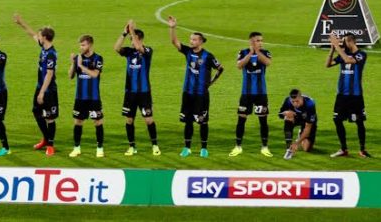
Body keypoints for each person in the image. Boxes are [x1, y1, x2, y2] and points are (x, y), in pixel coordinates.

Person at [168, 16, 224, 158]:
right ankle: (187, 147)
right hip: (187, 92)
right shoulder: (188, 51)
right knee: (188, 121)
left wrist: (211, 82)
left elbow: (220, 68)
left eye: (194, 39)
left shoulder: (208, 56)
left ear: (200, 41)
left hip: (201, 94)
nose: (191, 41)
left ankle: (204, 148)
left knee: (202, 121)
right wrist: (172, 28)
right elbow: (174, 42)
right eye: (190, 39)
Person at [13, 14, 58, 156]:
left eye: (40, 35)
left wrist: (42, 92)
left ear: (44, 37)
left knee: (50, 117)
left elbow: (49, 74)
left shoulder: (51, 54)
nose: (37, 36)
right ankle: (46, 139)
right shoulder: (43, 47)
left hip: (48, 91)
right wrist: (21, 23)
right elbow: (32, 34)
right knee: (36, 112)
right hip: (40, 87)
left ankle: (50, 145)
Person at [114, 20, 160, 157]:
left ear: (139, 39)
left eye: (133, 39)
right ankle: (132, 146)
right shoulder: (129, 52)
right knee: (129, 120)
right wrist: (124, 33)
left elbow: (140, 48)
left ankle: (155, 145)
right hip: (130, 92)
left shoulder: (148, 51)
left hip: (144, 92)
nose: (131, 41)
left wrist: (132, 31)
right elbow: (116, 48)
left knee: (148, 119)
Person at [326, 33, 371, 158]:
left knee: (359, 122)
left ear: (351, 42)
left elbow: (348, 60)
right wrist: (332, 49)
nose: (343, 44)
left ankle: (362, 149)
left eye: (344, 41)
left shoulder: (361, 54)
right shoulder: (343, 54)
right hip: (341, 95)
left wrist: (336, 45)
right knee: (337, 120)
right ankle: (343, 149)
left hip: (355, 95)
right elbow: (328, 64)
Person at [229, 32, 273, 158]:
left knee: (263, 121)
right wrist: (250, 53)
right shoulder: (242, 52)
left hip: (261, 93)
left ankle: (265, 147)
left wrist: (257, 52)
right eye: (258, 40)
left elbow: (268, 63)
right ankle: (238, 146)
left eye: (261, 40)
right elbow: (239, 65)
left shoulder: (265, 52)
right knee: (241, 120)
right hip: (246, 94)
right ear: (251, 41)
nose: (260, 43)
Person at [68, 35, 105, 158]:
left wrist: (81, 66)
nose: (81, 47)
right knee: (78, 122)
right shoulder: (78, 58)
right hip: (80, 97)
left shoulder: (98, 58)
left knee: (97, 122)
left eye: (83, 45)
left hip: (94, 98)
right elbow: (70, 76)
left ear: (90, 45)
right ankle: (76, 148)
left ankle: (100, 148)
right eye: (80, 45)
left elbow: (95, 74)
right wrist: (73, 63)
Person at [278, 89, 317, 159]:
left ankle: (300, 135)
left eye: (297, 101)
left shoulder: (310, 104)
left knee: (306, 148)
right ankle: (289, 147)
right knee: (288, 117)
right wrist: (285, 113)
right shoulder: (287, 101)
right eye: (293, 101)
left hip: (307, 120)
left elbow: (308, 127)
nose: (295, 104)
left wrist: (297, 143)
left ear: (301, 98)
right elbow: (279, 114)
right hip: (296, 118)